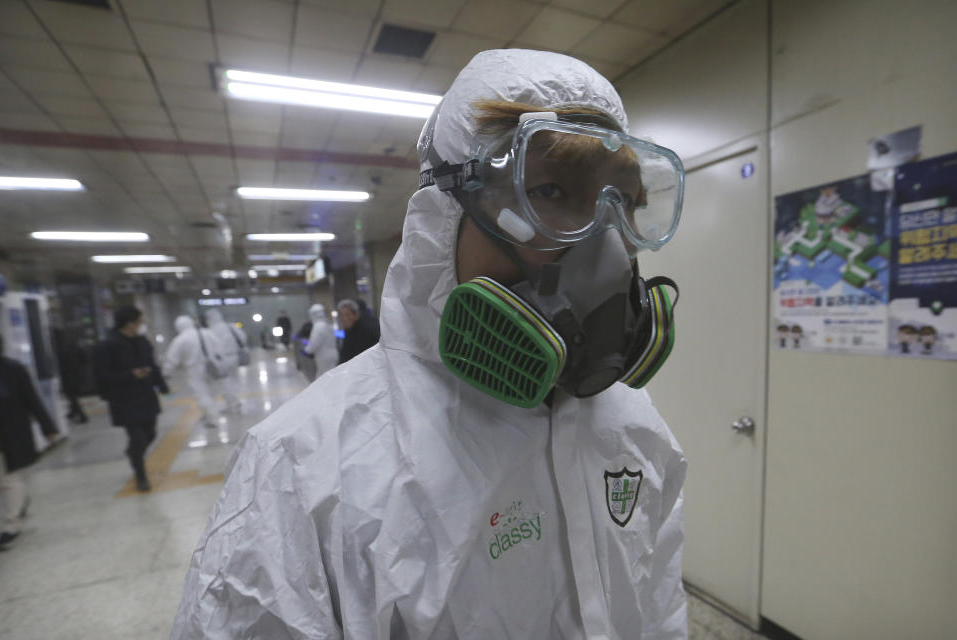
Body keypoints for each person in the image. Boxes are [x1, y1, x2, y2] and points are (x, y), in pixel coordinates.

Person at [172, 49, 687, 638]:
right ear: (445, 210)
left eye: (624, 203)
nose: (605, 247)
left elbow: (660, 613)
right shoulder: (305, 466)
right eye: (549, 192)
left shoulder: (635, 426)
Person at [92, 306, 168, 492]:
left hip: (146, 395)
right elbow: (102, 375)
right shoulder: (108, 345)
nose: (142, 325)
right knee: (137, 437)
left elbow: (152, 364)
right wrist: (131, 375)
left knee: (150, 432)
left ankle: (134, 454)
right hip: (124, 399)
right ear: (129, 323)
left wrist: (162, 385)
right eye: (139, 321)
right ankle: (141, 475)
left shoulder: (142, 342)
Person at [0, 330, 60, 550]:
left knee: (9, 479)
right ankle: (20, 501)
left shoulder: (12, 370)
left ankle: (10, 526)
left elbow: (31, 399)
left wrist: (48, 427)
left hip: (7, 435)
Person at [163, 315, 226, 428]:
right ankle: (212, 413)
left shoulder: (180, 339)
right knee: (212, 392)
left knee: (202, 394)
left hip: (194, 369)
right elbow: (220, 348)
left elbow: (172, 359)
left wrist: (166, 373)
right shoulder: (207, 333)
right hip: (212, 366)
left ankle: (212, 418)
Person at [204, 310, 247, 414]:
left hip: (222, 359)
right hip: (234, 356)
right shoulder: (230, 326)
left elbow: (209, 346)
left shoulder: (211, 330)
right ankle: (235, 399)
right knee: (234, 379)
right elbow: (242, 338)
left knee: (224, 381)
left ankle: (232, 401)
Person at [302, 303, 338, 381]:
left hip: (324, 357)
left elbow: (314, 343)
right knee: (330, 377)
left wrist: (306, 351)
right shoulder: (328, 324)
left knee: (324, 379)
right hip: (332, 354)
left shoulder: (318, 326)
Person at [337, 298, 378, 364]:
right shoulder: (349, 331)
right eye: (341, 315)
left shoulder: (366, 332)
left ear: (356, 315)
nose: (344, 318)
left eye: (347, 315)